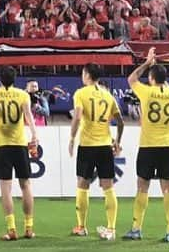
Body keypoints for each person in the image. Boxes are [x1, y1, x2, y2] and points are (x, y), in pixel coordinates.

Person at [123, 47, 169, 243]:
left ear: (151, 78)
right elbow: (164, 84)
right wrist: (156, 69)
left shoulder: (146, 92)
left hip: (148, 145)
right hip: (167, 145)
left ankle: (137, 228)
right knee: (168, 187)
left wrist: (147, 63)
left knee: (142, 186)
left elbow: (131, 79)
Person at [0, 67, 40, 241]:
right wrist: (34, 134)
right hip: (20, 144)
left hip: (3, 145)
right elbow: (28, 116)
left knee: (6, 188)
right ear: (14, 79)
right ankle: (29, 228)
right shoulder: (22, 95)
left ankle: (12, 230)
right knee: (26, 185)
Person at [67, 63, 124, 241]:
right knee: (108, 188)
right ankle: (112, 229)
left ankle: (82, 227)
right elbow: (121, 122)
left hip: (87, 146)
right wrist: (117, 142)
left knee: (82, 185)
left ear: (87, 75)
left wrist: (71, 138)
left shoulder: (80, 93)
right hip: (105, 146)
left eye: (83, 73)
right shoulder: (108, 95)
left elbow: (77, 117)